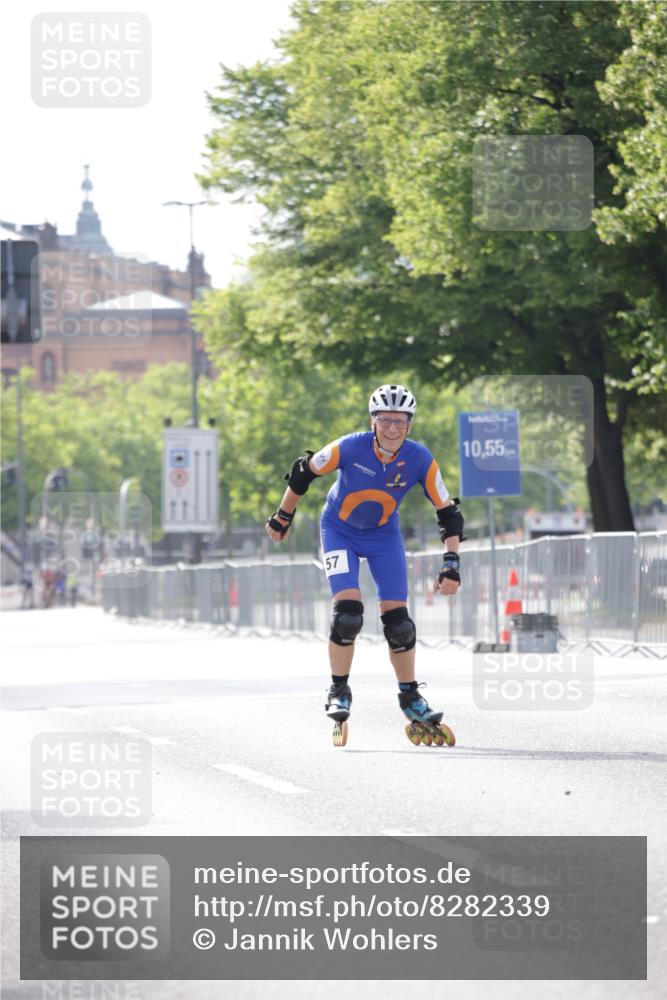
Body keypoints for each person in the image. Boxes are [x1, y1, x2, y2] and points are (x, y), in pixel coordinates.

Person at [266, 383, 464, 747]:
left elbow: (448, 512)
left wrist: (451, 563)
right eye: (385, 420)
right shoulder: (349, 446)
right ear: (373, 422)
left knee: (400, 625)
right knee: (348, 615)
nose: (393, 428)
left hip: (383, 536)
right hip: (338, 530)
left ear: (410, 424)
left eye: (400, 421)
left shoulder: (420, 458)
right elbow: (302, 472)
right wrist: (283, 516)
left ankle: (410, 696)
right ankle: (338, 690)